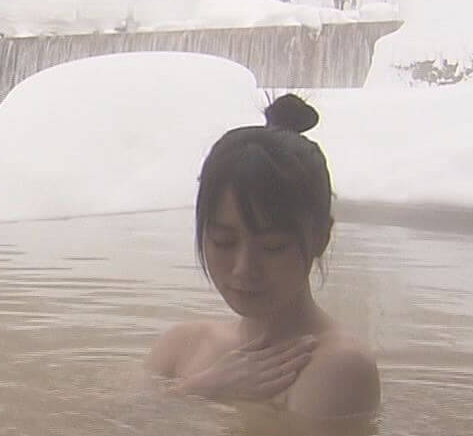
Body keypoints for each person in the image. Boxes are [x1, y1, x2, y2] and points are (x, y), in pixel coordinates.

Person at [147, 93, 380, 418]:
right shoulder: (183, 344)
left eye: (272, 247)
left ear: (320, 238)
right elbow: (106, 428)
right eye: (224, 242)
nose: (244, 269)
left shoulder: (339, 368)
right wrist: (202, 388)